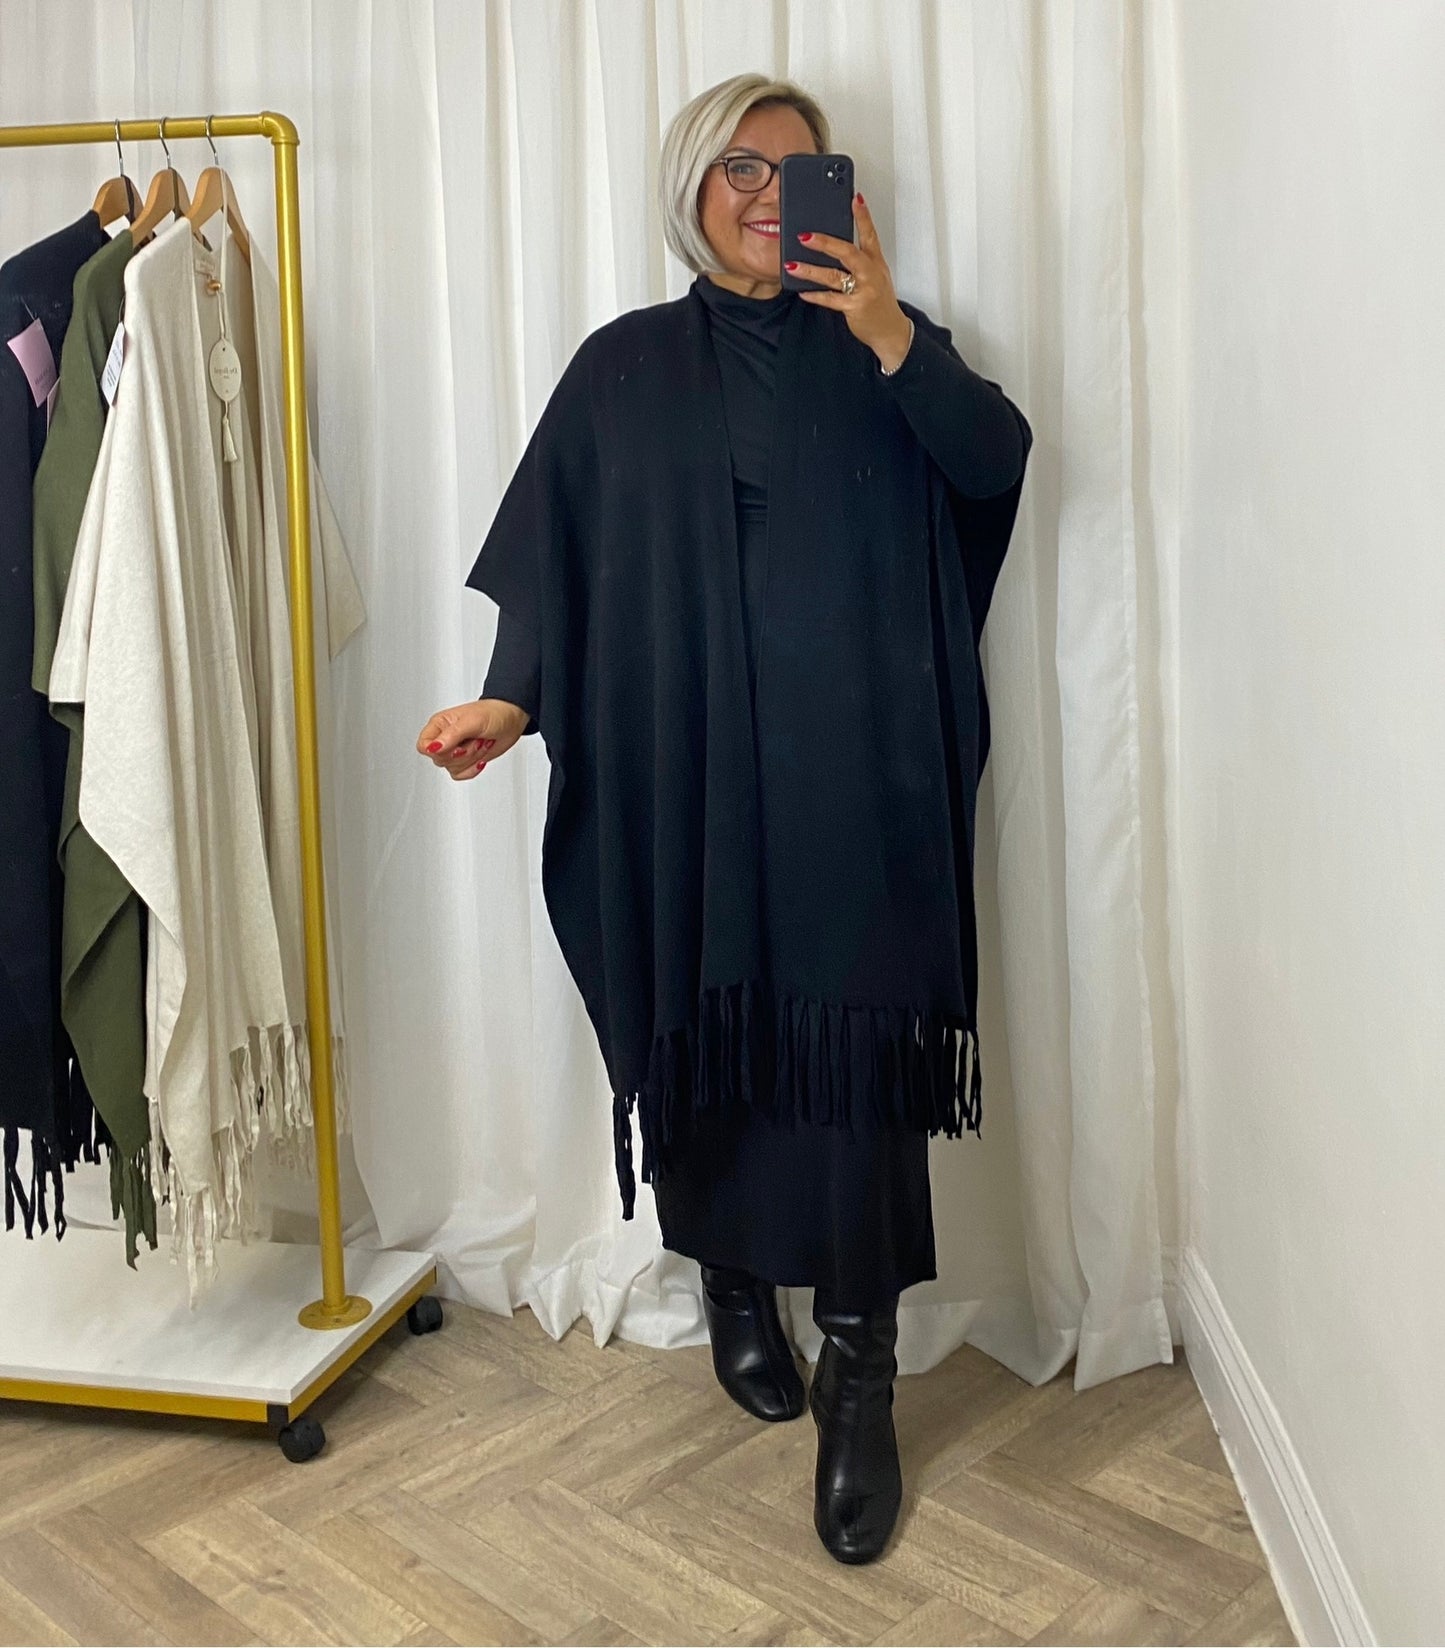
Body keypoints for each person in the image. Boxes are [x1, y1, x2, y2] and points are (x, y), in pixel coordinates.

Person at [417, 73, 1031, 1565]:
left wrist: (888, 331)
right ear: (689, 191)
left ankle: (861, 1376)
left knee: (859, 1061)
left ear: (840, 198)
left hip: (856, 782)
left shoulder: (887, 346)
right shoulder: (622, 369)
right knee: (705, 1019)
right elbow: (559, 563)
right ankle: (732, 1282)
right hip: (681, 769)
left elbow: (994, 463)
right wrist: (511, 700)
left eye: (797, 172)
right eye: (738, 171)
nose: (767, 195)